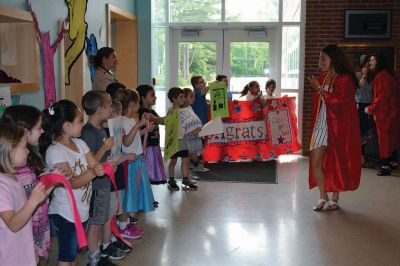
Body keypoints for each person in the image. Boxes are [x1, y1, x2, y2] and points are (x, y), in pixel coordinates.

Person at [39, 100, 104, 266]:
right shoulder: (55, 151)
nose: (83, 124)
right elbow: (73, 182)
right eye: (80, 121)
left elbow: (94, 163)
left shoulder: (80, 144)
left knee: (73, 253)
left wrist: (104, 167)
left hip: (81, 210)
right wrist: (93, 172)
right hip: (65, 213)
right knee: (66, 257)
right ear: (67, 126)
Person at [308, 44, 361, 211]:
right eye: (320, 59)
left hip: (338, 126)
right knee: (316, 161)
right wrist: (320, 88)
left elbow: (339, 105)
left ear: (333, 59)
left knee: (337, 160)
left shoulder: (345, 79)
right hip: (322, 125)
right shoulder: (323, 78)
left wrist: (319, 89)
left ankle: (335, 199)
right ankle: (323, 196)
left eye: (323, 58)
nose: (320, 62)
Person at [80, 91, 126, 265]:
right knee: (96, 223)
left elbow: (102, 159)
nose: (110, 109)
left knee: (100, 220)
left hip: (104, 182)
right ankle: (94, 260)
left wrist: (110, 163)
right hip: (96, 185)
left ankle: (98, 255)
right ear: (99, 109)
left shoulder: (100, 129)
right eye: (108, 106)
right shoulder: (89, 132)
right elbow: (90, 161)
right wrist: (104, 149)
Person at [1, 105, 51, 260]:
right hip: (10, 256)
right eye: (24, 147)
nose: (28, 151)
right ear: (8, 151)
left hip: (22, 250)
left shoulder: (13, 177)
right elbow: (14, 224)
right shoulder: (2, 186)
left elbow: (24, 215)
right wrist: (33, 201)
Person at [119, 89, 156, 219]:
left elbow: (133, 137)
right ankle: (128, 216)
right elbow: (127, 142)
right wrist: (137, 126)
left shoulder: (130, 120)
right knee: (131, 188)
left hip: (137, 159)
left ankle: (131, 214)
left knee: (136, 187)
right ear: (133, 105)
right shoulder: (123, 121)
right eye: (138, 103)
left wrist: (145, 129)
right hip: (130, 162)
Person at [365, 52, 400, 176]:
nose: (370, 63)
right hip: (392, 112)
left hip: (384, 113)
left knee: (384, 139)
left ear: (379, 61)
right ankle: (392, 162)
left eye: (373, 60)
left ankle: (385, 166)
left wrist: (371, 108)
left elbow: (382, 96)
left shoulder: (382, 76)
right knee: (392, 138)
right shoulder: (389, 75)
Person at [167, 87, 198, 190]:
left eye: (184, 96)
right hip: (174, 141)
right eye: (181, 97)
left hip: (183, 140)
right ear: (174, 99)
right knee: (173, 161)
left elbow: (187, 125)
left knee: (185, 160)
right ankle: (171, 179)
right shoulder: (171, 111)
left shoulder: (185, 110)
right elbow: (169, 125)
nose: (183, 99)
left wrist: (195, 130)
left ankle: (185, 179)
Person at [137, 85, 167, 186]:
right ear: (143, 98)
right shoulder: (142, 113)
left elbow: (162, 121)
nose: (155, 97)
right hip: (147, 148)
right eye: (152, 95)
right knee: (146, 175)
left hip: (154, 146)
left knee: (150, 175)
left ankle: (148, 197)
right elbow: (159, 120)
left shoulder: (152, 112)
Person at [183, 88, 208, 174]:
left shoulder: (189, 107)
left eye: (194, 96)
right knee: (189, 152)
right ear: (184, 98)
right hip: (189, 135)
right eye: (191, 96)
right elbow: (185, 124)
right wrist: (193, 130)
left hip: (195, 134)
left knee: (194, 151)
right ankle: (191, 169)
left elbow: (193, 119)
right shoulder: (181, 110)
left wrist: (199, 127)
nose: (193, 98)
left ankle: (195, 165)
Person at [355, 55, 373, 166]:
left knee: (366, 133)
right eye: (367, 62)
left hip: (369, 106)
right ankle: (360, 159)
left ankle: (363, 158)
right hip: (360, 105)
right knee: (361, 132)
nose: (368, 64)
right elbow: (358, 87)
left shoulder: (372, 76)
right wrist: (364, 75)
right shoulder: (357, 75)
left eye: (369, 63)